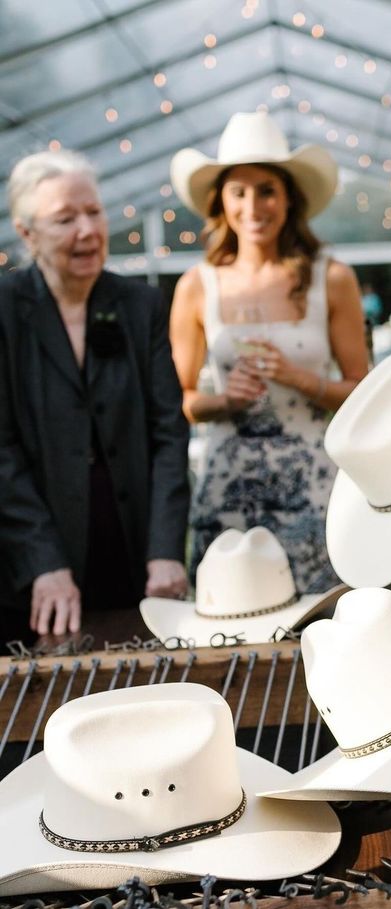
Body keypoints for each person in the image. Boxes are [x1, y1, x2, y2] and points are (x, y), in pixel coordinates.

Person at [169, 112, 369, 594]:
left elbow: (365, 395)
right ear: (220, 201)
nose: (252, 205)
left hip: (316, 490)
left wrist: (298, 378)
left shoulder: (332, 278)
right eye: (238, 191)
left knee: (322, 623)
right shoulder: (197, 287)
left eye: (266, 190)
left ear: (288, 200)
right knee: (233, 629)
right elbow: (179, 401)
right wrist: (226, 402)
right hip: (227, 494)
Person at [0, 150, 190, 644]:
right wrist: (43, 561)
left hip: (133, 559)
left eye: (94, 211)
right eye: (65, 219)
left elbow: (169, 431)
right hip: (32, 570)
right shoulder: (4, 311)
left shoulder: (139, 304)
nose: (87, 229)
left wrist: (165, 548)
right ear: (27, 233)